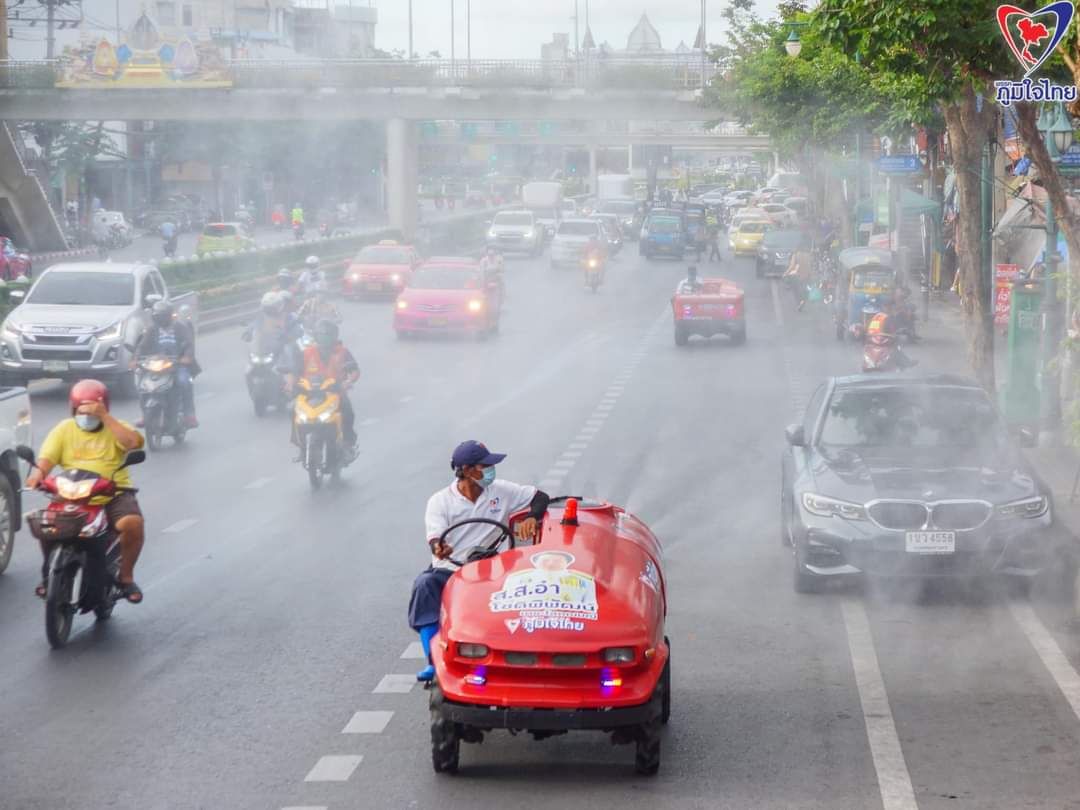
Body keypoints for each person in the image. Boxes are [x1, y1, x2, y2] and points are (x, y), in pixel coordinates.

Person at [409, 441, 551, 681]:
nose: (490, 470)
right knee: (424, 586)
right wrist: (440, 548)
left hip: (496, 570)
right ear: (465, 469)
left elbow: (540, 497)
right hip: (453, 570)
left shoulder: (501, 490)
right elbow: (434, 537)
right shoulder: (440, 501)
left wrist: (531, 517)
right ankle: (433, 663)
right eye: (484, 466)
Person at [26, 380, 146, 603]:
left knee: (132, 524)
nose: (87, 414)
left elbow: (133, 443)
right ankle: (49, 575)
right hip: (71, 494)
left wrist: (105, 417)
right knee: (47, 525)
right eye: (82, 410)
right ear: (73, 409)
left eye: (93, 408)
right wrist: (37, 475)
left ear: (103, 407)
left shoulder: (117, 426)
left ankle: (126, 577)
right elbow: (47, 459)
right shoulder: (64, 429)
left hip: (112, 493)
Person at [286, 319, 359, 454]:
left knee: (348, 412)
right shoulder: (307, 353)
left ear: (334, 336)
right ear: (316, 336)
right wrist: (290, 384)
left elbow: (354, 370)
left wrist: (348, 382)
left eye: (327, 334)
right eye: (321, 334)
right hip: (309, 393)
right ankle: (300, 443)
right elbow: (294, 371)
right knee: (291, 409)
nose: (324, 338)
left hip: (335, 392)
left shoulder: (342, 352)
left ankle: (348, 443)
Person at [135, 301, 199, 428]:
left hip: (177, 365)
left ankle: (189, 415)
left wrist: (186, 357)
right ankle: (144, 415)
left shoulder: (180, 327)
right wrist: (135, 358)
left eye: (163, 316)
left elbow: (188, 344)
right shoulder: (152, 329)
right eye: (158, 316)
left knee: (184, 382)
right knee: (142, 385)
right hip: (155, 364)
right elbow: (142, 346)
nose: (161, 319)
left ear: (169, 316)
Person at [784, 243, 813, 312]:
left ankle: (799, 303)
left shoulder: (796, 255)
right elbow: (810, 266)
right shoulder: (808, 255)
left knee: (796, 291)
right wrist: (810, 274)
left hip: (797, 276)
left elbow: (792, 266)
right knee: (805, 291)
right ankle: (803, 302)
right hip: (806, 276)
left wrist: (786, 273)